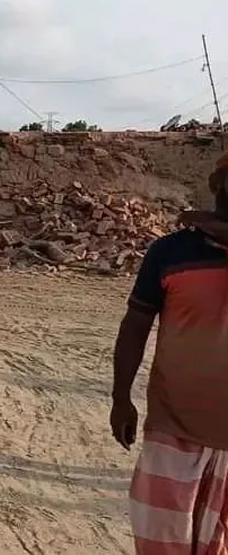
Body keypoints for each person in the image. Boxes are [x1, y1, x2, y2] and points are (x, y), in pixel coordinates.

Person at [112, 152, 228, 554]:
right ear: (219, 185)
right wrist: (120, 397)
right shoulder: (170, 252)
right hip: (173, 426)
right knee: (161, 543)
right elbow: (135, 324)